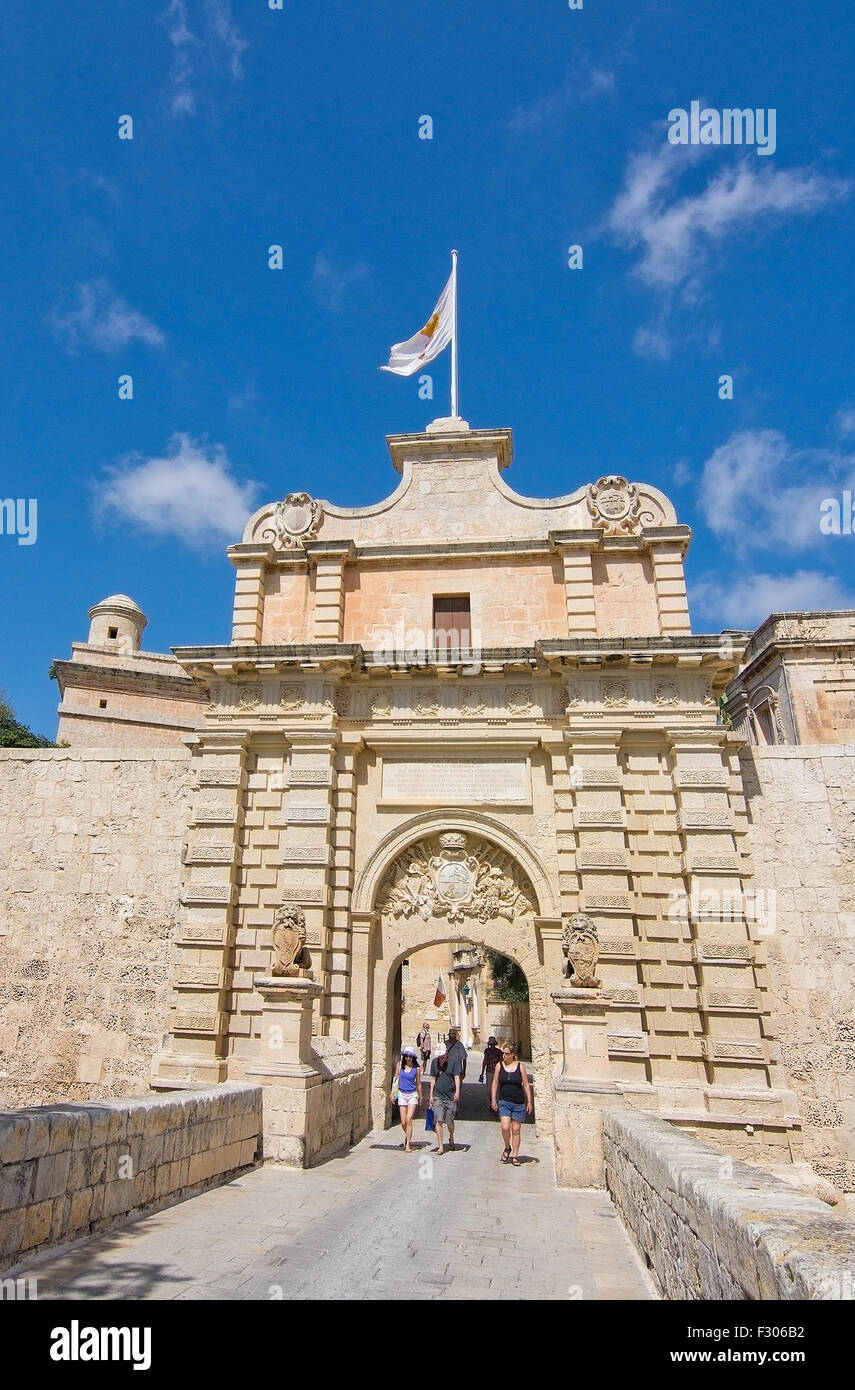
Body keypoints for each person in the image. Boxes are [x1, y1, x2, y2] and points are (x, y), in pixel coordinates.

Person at [491, 1040, 533, 1167]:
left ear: (512, 1054)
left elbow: (526, 1085)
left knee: (516, 1129)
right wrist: (493, 1099)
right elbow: (495, 1083)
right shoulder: (499, 1066)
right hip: (504, 1101)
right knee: (505, 1127)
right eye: (503, 1053)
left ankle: (515, 1155)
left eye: (506, 1053)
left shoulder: (520, 1067)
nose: (504, 1055)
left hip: (518, 1103)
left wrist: (529, 1102)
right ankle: (507, 1146)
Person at [429, 1042, 462, 1155]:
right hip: (438, 1095)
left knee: (449, 1121)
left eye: (442, 1055)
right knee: (439, 1120)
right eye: (439, 1056)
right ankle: (440, 1146)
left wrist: (457, 1091)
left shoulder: (454, 1062)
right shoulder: (434, 1062)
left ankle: (451, 1137)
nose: (441, 1057)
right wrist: (431, 1095)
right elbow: (432, 1079)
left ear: (447, 1053)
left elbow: (457, 1077)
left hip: (450, 1096)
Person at [392, 1045, 422, 1152]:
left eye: (410, 1056)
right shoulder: (400, 1066)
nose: (408, 1058)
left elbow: (418, 1083)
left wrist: (420, 1096)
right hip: (402, 1095)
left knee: (409, 1119)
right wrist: (393, 1094)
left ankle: (408, 1144)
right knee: (403, 1122)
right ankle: (407, 1135)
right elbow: (396, 1080)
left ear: (413, 1057)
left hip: (412, 1095)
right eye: (406, 1056)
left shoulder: (416, 1069)